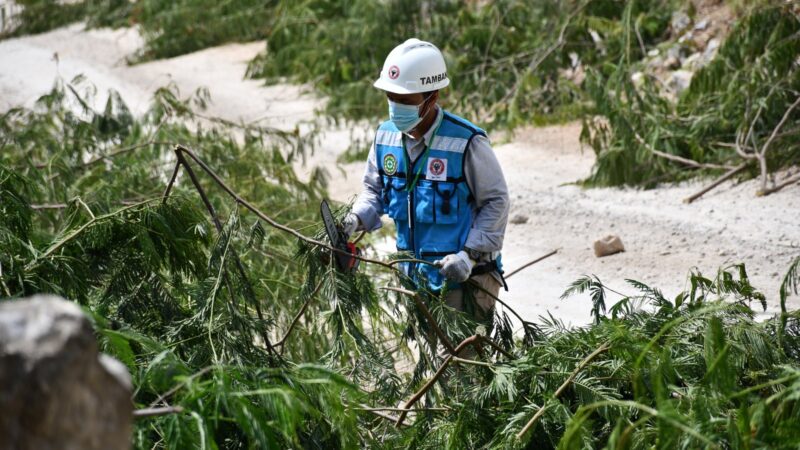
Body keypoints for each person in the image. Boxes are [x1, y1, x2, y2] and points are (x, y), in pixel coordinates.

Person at [344, 38, 509, 322]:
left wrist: (468, 256)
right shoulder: (385, 137)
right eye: (390, 98)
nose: (395, 107)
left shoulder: (467, 141)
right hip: (415, 279)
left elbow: (496, 201)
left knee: (463, 365)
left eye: (405, 101)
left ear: (431, 98)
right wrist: (354, 220)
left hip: (465, 281)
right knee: (434, 365)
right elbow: (374, 191)